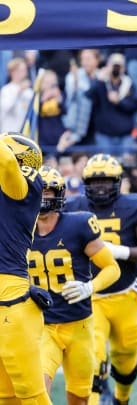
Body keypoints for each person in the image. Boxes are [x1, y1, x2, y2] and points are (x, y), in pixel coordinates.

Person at [65, 153, 137, 405]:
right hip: (91, 295)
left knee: (126, 356)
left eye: (107, 181)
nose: (100, 186)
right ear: (85, 182)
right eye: (95, 181)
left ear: (118, 181)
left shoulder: (132, 208)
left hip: (125, 294)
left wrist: (121, 252)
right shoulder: (73, 207)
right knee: (94, 357)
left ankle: (122, 398)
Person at [31, 166, 121, 405]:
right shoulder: (18, 229)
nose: (42, 198)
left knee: (79, 399)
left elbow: (113, 268)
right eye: (37, 192)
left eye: (47, 192)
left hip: (79, 324)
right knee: (38, 391)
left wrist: (89, 287)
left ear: (58, 194)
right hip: (43, 325)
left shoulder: (78, 224)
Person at [0, 133, 52, 404]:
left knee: (31, 394)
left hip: (12, 299)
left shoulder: (24, 184)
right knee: (5, 396)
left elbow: (7, 164)